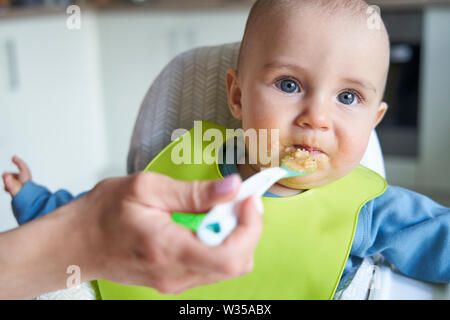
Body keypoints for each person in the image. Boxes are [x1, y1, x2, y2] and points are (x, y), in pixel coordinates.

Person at [3, 0, 450, 299]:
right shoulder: (181, 162)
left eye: (348, 97)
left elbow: (437, 239)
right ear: (236, 97)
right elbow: (101, 221)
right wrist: (36, 200)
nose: (317, 117)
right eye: (289, 85)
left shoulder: (370, 206)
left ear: (375, 119)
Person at [0, 157, 263, 299]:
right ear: (237, 96)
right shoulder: (175, 164)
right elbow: (71, 216)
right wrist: (30, 196)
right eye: (287, 85)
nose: (306, 116)